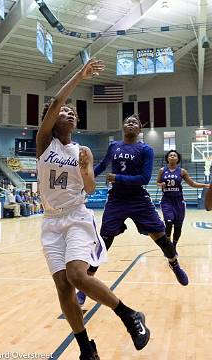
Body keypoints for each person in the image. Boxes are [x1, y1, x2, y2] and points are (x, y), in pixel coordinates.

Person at [36, 60, 150, 360]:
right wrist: (80, 75)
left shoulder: (82, 151)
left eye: (73, 113)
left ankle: (129, 315)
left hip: (76, 219)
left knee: (76, 275)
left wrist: (87, 169)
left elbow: (88, 189)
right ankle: (87, 349)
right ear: (51, 118)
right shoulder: (44, 144)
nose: (69, 113)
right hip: (50, 222)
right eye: (64, 111)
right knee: (63, 288)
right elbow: (57, 101)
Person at [77, 114, 189, 307]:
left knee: (161, 237)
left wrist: (117, 178)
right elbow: (102, 166)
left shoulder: (146, 149)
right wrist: (84, 179)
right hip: (117, 199)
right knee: (104, 242)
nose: (130, 123)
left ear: (139, 130)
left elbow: (144, 178)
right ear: (123, 127)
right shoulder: (114, 147)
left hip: (138, 198)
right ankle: (84, 287)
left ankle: (174, 263)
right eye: (128, 121)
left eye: (134, 122)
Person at [157, 150, 210, 253]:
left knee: (178, 226)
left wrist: (206, 185)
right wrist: (160, 184)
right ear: (167, 158)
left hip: (179, 202)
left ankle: (174, 246)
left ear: (177, 159)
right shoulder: (162, 170)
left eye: (174, 155)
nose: (172, 156)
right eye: (170, 155)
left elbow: (192, 184)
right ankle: (168, 247)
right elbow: (157, 182)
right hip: (167, 200)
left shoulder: (182, 171)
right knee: (168, 222)